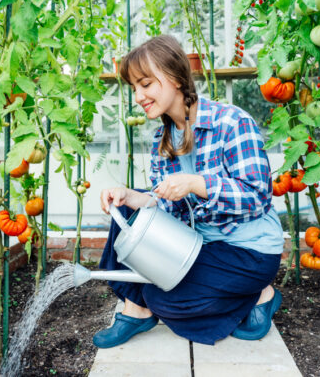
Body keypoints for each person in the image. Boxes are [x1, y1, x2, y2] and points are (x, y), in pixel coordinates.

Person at [94, 35, 285, 348]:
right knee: (127, 208)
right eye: (134, 88)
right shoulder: (162, 139)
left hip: (249, 251)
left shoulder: (232, 122)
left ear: (174, 77)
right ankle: (136, 309)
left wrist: (198, 183)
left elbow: (257, 197)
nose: (138, 96)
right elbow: (169, 208)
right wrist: (134, 197)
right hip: (201, 245)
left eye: (145, 84)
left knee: (165, 299)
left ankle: (260, 294)